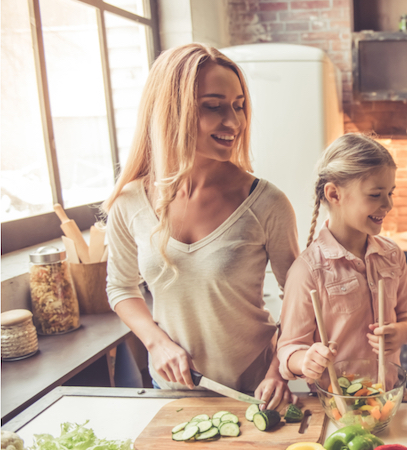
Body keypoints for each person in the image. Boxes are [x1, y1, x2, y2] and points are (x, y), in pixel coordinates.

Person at [104, 43, 299, 409]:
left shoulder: (267, 203)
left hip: (256, 388)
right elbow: (120, 287)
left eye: (239, 106)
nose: (235, 122)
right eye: (213, 107)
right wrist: (156, 342)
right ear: (171, 111)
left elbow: (299, 299)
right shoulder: (129, 201)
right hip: (174, 388)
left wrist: (279, 370)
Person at [276, 134, 407, 385]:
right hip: (337, 406)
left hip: (387, 397)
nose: (388, 204)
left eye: (390, 193)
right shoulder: (307, 271)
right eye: (375, 195)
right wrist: (305, 359)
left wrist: (401, 332)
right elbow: (288, 349)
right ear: (334, 194)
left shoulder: (392, 255)